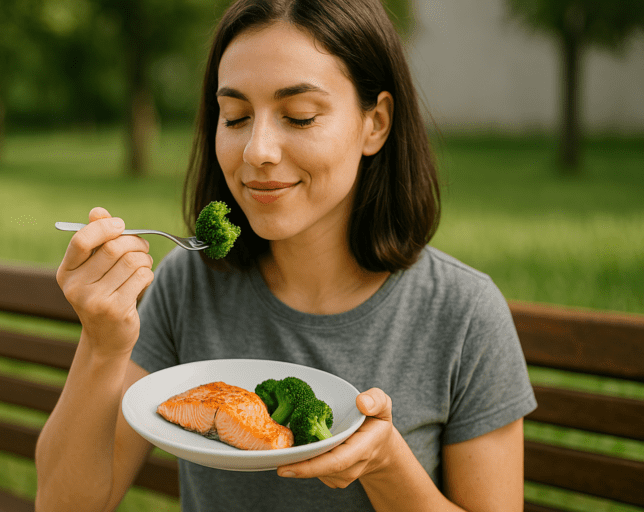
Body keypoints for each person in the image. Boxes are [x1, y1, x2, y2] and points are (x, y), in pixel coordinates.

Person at [35, 0, 537, 510]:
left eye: (299, 117)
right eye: (235, 117)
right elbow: (62, 504)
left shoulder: (464, 314)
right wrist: (101, 346)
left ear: (376, 123)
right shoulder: (189, 282)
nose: (257, 150)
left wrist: (386, 464)